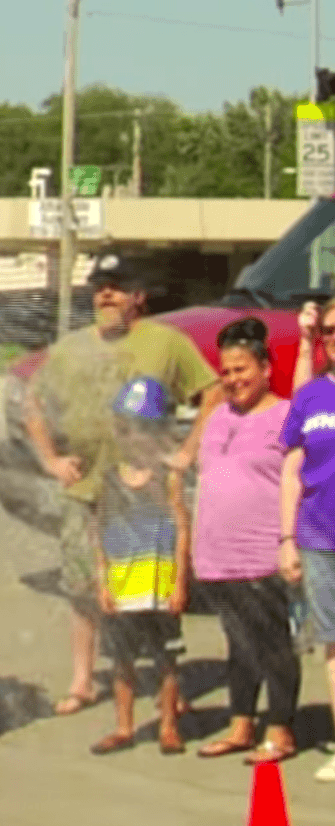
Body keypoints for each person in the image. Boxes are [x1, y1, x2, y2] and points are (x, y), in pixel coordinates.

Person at [24, 250, 222, 716]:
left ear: (138, 295)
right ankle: (83, 681)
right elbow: (31, 401)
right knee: (83, 586)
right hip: (87, 485)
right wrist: (51, 459)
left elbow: (212, 393)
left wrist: (189, 451)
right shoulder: (71, 347)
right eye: (98, 287)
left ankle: (168, 686)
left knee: (156, 583)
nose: (104, 295)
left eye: (114, 286)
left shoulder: (166, 342)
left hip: (146, 487)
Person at [194, 317, 300, 764]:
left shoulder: (286, 415)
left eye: (242, 369)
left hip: (263, 551)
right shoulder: (218, 415)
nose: (233, 379)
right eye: (227, 371)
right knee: (237, 643)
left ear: (265, 369)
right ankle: (241, 724)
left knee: (272, 642)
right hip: (218, 555)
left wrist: (290, 541)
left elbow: (302, 481)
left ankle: (280, 730)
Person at [88, 377, 190, 755]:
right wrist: (102, 582)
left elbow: (181, 528)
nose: (137, 438)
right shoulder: (110, 478)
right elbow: (97, 531)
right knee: (122, 661)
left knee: (166, 659)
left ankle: (168, 725)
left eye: (146, 429)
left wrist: (180, 581)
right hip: (122, 585)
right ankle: (124, 727)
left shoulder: (168, 475)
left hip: (160, 585)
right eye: (129, 429)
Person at [280, 296, 335, 783]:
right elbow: (293, 467)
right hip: (320, 536)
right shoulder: (314, 395)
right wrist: (287, 539)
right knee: (334, 645)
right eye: (331, 331)